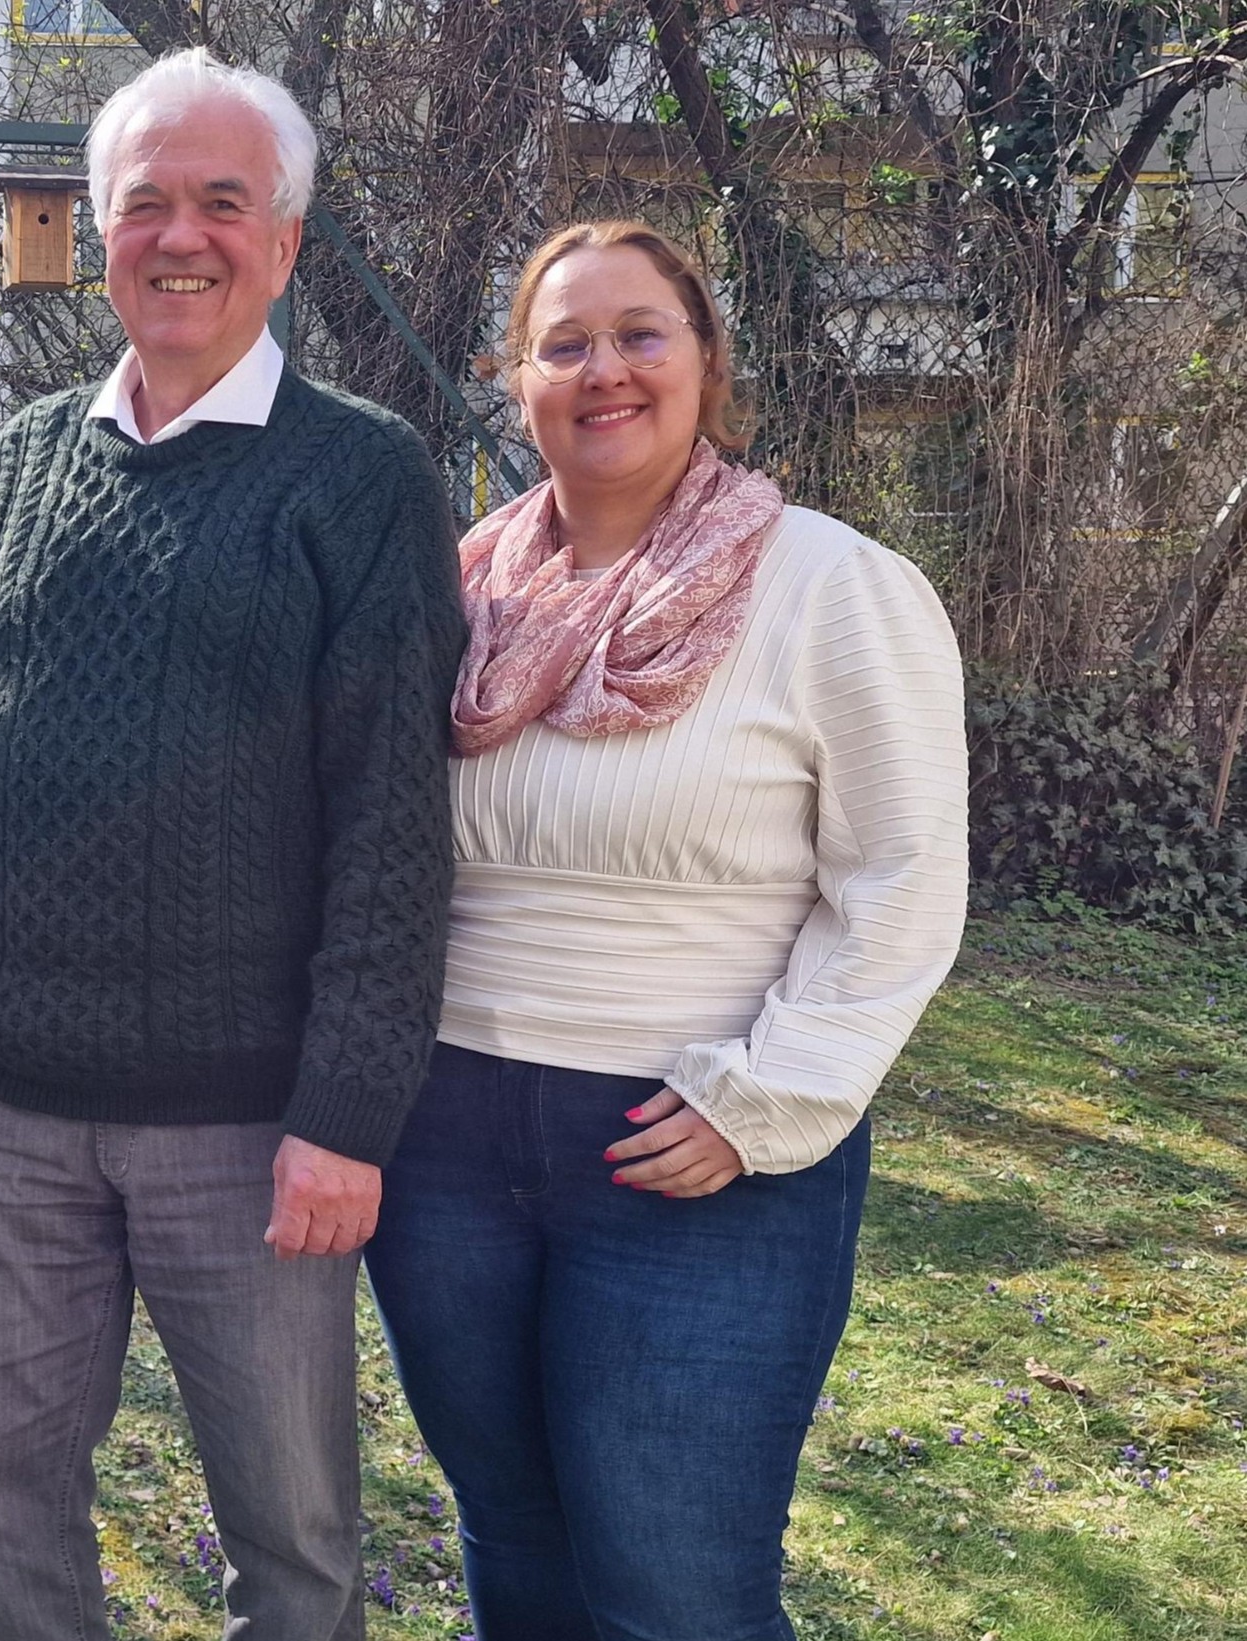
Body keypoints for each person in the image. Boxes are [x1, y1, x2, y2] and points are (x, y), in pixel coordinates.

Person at [0, 47, 467, 1641]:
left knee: (290, 1533)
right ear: (99, 234)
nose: (182, 235)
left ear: (283, 241)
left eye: (225, 201)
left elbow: (394, 822)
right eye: (145, 203)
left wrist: (348, 1110)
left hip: (253, 1126)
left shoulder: (359, 477)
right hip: (6, 1111)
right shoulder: (15, 465)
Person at [363, 219, 969, 1641]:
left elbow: (902, 876)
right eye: (563, 343)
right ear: (517, 382)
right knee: (514, 1547)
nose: (604, 370)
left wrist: (764, 1097)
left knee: (674, 1591)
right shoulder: (464, 592)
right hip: (444, 1138)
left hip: (692, 1146)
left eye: (640, 333)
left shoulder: (833, 588)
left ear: (706, 361)